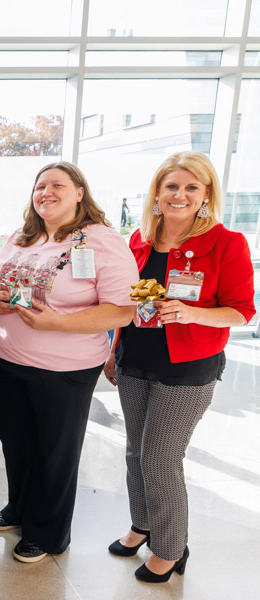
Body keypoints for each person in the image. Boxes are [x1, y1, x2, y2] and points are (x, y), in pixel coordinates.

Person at [104, 152, 255, 582]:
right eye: (171, 186)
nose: (180, 195)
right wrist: (114, 350)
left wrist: (194, 314)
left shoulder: (226, 243)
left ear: (206, 195)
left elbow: (243, 311)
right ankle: (143, 524)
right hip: (135, 359)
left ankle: (170, 549)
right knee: (136, 452)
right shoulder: (138, 240)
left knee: (160, 458)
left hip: (188, 366)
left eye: (192, 187)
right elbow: (126, 303)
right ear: (157, 192)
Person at [0, 161, 138, 563]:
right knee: (16, 444)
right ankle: (19, 508)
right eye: (40, 186)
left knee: (55, 451)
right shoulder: (23, 235)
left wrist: (59, 321)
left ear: (79, 193)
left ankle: (48, 533)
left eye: (57, 185)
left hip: (65, 368)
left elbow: (122, 310)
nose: (46, 193)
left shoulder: (101, 241)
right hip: (8, 357)